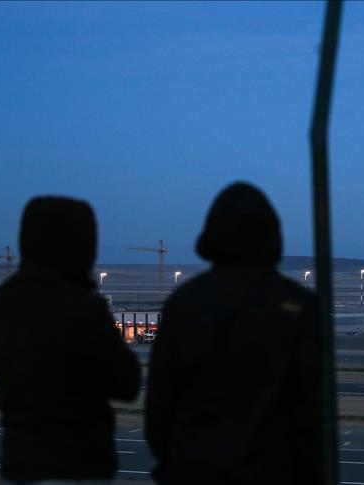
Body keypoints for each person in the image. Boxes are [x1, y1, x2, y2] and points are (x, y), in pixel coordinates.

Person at [146, 182, 322, 484]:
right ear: (273, 236)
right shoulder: (299, 305)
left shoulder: (185, 302)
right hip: (276, 471)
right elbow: (313, 411)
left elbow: (159, 408)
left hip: (195, 468)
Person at [0, 196, 141, 483]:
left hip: (21, 460)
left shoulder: (2, 301)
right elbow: (127, 382)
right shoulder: (79, 305)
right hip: (78, 461)